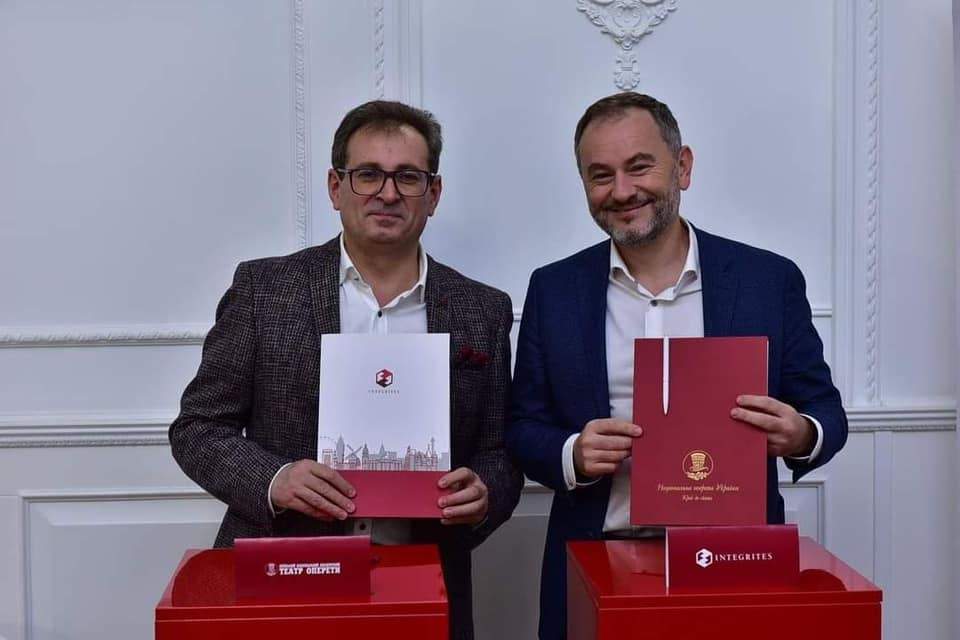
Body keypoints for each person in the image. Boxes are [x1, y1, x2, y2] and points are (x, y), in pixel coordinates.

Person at [170, 100, 522, 640]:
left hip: (423, 583)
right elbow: (197, 429)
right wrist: (275, 479)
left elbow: (499, 451)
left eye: (408, 177)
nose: (388, 193)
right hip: (281, 574)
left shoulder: (483, 309)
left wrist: (484, 493)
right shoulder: (264, 290)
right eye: (368, 175)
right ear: (336, 187)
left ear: (434, 194)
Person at [507, 92, 847, 640]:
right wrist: (573, 453)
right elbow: (523, 427)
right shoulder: (553, 289)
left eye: (639, 166)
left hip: (737, 565)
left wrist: (801, 432)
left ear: (682, 167)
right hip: (599, 562)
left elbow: (826, 413)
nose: (622, 191)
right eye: (601, 175)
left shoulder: (767, 280)